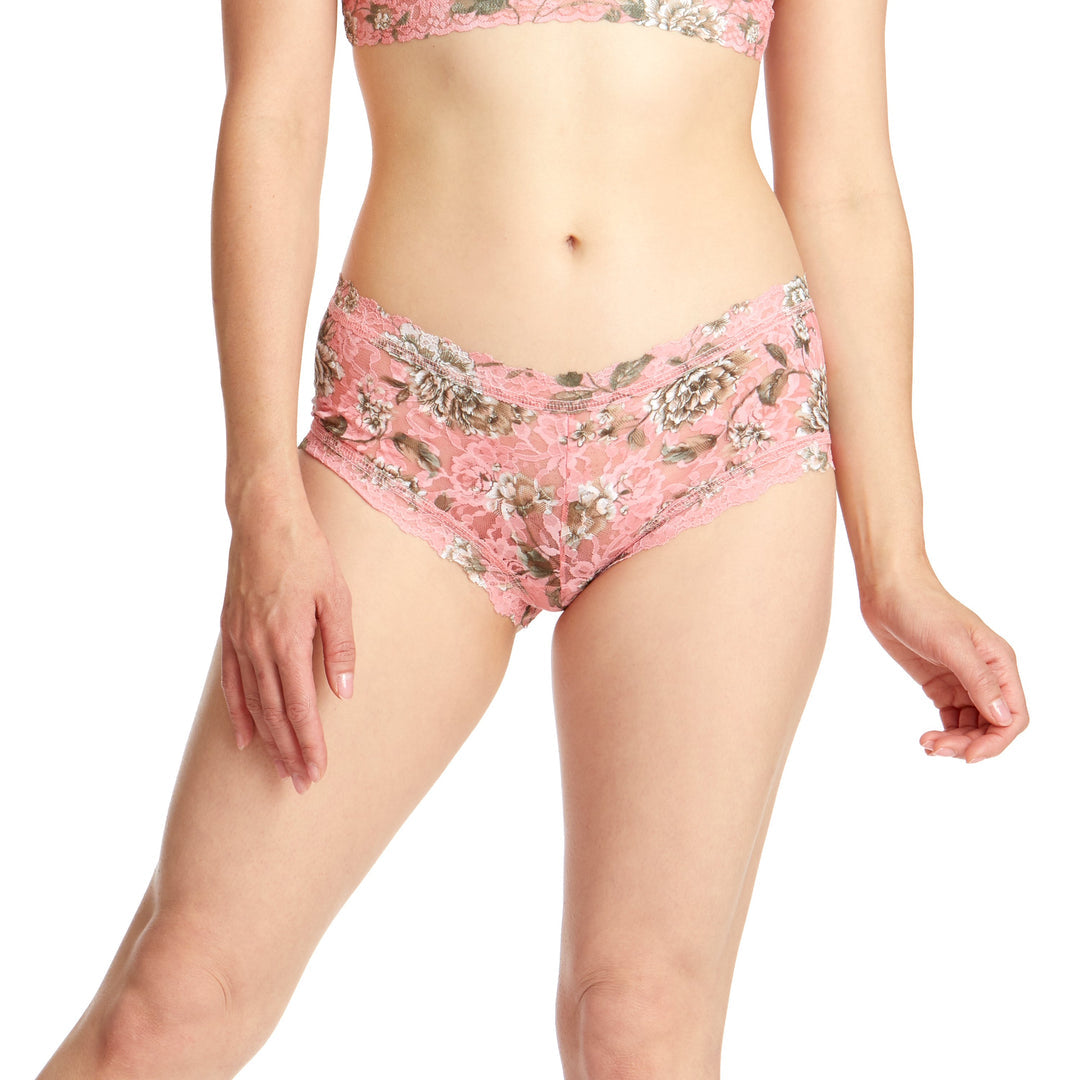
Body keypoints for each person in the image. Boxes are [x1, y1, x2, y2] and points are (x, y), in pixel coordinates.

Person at [35, 0, 1030, 1076]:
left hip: (722, 429)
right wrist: (261, 494)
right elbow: (274, 119)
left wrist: (898, 561)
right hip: (405, 433)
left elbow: (843, 182)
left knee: (639, 1019)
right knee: (177, 999)